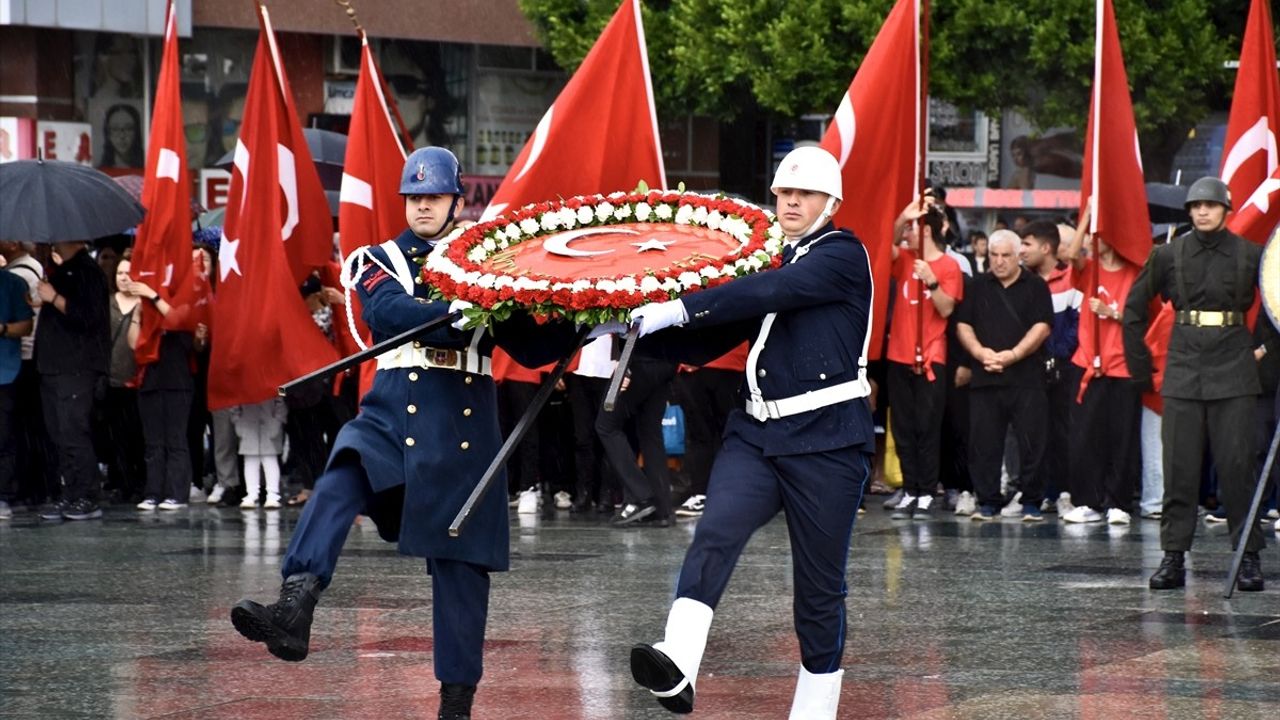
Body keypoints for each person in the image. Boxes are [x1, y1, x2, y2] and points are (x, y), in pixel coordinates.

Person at [229, 147, 576, 720]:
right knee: (342, 476)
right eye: (413, 198)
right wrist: (456, 310)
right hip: (395, 407)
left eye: (433, 198)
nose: (421, 207)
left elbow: (532, 347)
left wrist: (584, 318)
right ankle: (296, 606)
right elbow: (385, 312)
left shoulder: (493, 267)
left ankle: (456, 702)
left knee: (462, 565)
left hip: (463, 416)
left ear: (455, 201)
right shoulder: (376, 257)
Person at [625, 146, 874, 719]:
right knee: (715, 532)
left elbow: (766, 295)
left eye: (804, 194)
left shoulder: (840, 254)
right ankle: (679, 662)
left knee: (817, 592)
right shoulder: (776, 259)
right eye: (784, 192)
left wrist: (680, 306)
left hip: (827, 441)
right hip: (757, 435)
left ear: (830, 203)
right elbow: (722, 328)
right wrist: (636, 327)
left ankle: (814, 710)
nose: (789, 201)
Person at [1123, 176, 1267, 592]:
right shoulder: (1168, 255)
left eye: (1210, 204)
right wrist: (1140, 370)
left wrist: (1264, 357)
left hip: (1234, 367)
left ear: (1226, 209)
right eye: (1195, 205)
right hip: (1183, 368)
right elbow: (1134, 310)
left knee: (1238, 469)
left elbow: (1276, 308)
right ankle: (1173, 557)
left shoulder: (1250, 255)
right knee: (1180, 470)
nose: (1202, 211)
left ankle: (1248, 557)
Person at [953, 229, 1053, 521]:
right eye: (994, 255)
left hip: (1026, 377)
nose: (998, 262)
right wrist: (981, 353)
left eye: (1005, 256)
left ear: (1019, 255)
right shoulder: (977, 286)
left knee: (1032, 441)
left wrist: (1013, 355)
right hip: (985, 375)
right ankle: (987, 500)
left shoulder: (1035, 286)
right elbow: (963, 325)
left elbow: (1042, 327)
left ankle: (1032, 500)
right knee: (984, 442)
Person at [1057, 208, 1142, 525]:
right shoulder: (1088, 269)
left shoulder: (1135, 272)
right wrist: (1087, 216)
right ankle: (1087, 501)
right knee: (1084, 436)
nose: (1097, 238)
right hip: (1088, 365)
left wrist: (1112, 313)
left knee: (1120, 438)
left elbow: (1141, 318)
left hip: (1122, 366)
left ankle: (1119, 502)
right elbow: (1069, 253)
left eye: (1102, 232)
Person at [884, 196, 964, 519]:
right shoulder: (904, 259)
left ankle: (927, 491)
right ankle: (910, 488)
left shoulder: (949, 266)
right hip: (899, 354)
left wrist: (931, 280)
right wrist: (904, 215)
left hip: (931, 356)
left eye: (914, 228)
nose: (908, 234)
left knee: (927, 427)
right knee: (902, 426)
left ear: (927, 231)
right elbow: (887, 242)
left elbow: (946, 309)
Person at [35, 240, 111, 521]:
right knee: (59, 432)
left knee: (74, 431)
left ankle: (87, 496)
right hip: (53, 366)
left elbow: (88, 316)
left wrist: (54, 297)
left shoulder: (88, 272)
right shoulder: (62, 270)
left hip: (76, 367)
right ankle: (70, 493)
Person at [1018, 221, 1081, 514]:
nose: (1021, 250)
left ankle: (1064, 490)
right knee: (1032, 433)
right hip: (1028, 368)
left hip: (1065, 369)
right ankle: (1038, 490)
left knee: (1063, 432)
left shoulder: (1071, 278)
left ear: (1046, 247)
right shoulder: (1022, 281)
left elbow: (1074, 325)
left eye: (1027, 243)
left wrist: (1056, 355)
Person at [125, 273, 198, 511]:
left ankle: (177, 493)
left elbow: (178, 321)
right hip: (150, 381)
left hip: (177, 381)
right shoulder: (144, 310)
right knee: (153, 441)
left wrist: (154, 297)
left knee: (175, 439)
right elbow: (134, 344)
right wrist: (137, 314)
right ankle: (153, 492)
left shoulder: (182, 306)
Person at [595, 355, 678, 526]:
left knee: (606, 426)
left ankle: (641, 496)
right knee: (651, 432)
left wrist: (624, 364)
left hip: (638, 359)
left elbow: (630, 328)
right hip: (666, 360)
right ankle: (663, 510)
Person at [103, 255, 146, 504]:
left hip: (138, 380)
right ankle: (121, 482)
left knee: (138, 436)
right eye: (119, 273)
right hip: (112, 381)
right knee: (116, 437)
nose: (123, 277)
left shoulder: (144, 304)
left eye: (128, 273)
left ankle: (140, 482)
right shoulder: (107, 303)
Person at [0, 267, 36, 519]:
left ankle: (4, 495)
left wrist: (2, 329)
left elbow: (26, 326)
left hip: (5, 371)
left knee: (4, 436)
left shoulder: (13, 283)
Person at [99, 104, 144, 169]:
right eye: (115, 129)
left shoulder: (148, 167)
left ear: (136, 132)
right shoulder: (101, 171)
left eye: (128, 128)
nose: (122, 136)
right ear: (108, 134)